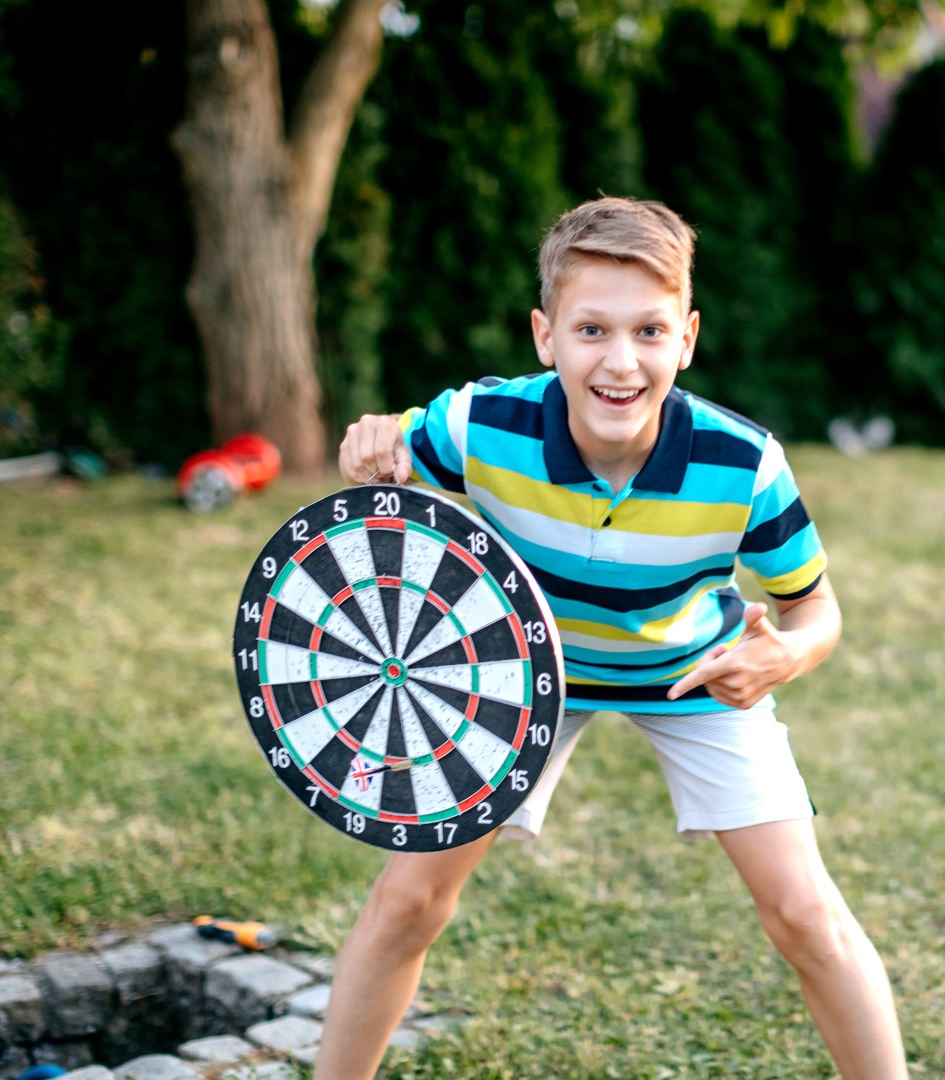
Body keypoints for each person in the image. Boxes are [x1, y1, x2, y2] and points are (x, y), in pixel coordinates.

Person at [316, 197, 907, 1079]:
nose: (621, 362)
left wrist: (785, 653)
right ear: (545, 335)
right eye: (591, 329)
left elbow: (817, 612)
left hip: (691, 674)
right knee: (408, 901)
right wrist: (365, 443)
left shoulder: (743, 465)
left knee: (803, 916)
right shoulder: (482, 426)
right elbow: (381, 451)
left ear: (688, 338)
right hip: (516, 679)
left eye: (649, 331)